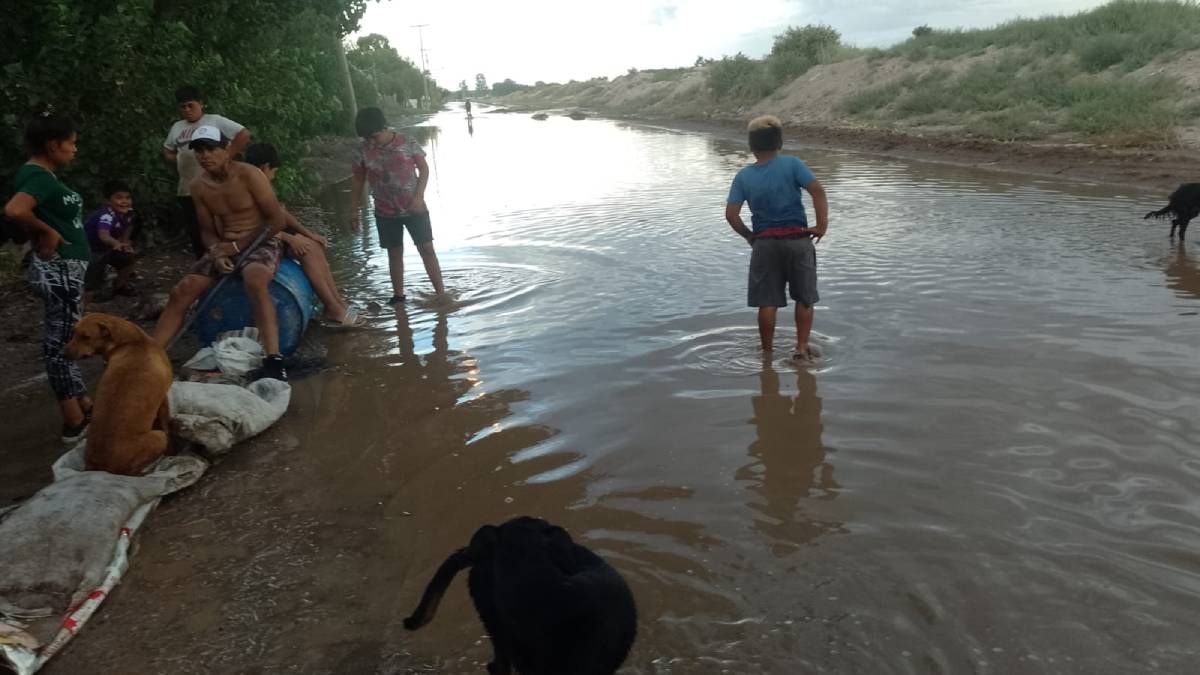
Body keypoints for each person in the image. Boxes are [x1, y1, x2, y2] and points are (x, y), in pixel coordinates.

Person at [152, 126, 290, 381]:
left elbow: (277, 221)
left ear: (227, 149)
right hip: (225, 245)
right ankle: (149, 356)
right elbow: (206, 231)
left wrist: (238, 247)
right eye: (199, 150)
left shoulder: (249, 175)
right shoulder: (198, 187)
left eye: (210, 148)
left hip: (261, 240)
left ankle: (273, 358)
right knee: (182, 290)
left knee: (256, 279)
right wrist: (217, 253)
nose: (205, 155)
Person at [3, 109, 93, 441]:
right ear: (53, 145)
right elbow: (14, 210)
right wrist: (48, 234)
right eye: (71, 143)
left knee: (65, 336)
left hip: (65, 268)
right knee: (61, 345)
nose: (74, 149)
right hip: (59, 268)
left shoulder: (40, 175)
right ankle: (73, 420)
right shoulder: (38, 177)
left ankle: (83, 403)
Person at [725, 115, 828, 362]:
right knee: (804, 297)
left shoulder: (743, 176)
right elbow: (817, 191)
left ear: (751, 147)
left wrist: (750, 236)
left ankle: (767, 353)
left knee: (767, 302)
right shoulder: (792, 165)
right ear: (779, 143)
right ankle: (801, 348)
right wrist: (821, 225)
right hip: (798, 241)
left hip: (765, 244)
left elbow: (731, 215)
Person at [244, 142, 365, 327]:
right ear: (265, 167)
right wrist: (289, 238)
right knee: (307, 249)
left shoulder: (259, 184)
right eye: (273, 172)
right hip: (256, 242)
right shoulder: (246, 188)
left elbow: (280, 214)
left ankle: (336, 303)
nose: (273, 177)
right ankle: (334, 307)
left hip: (270, 236)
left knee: (312, 245)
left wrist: (308, 234)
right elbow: (249, 227)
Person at [349, 107, 445, 304]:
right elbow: (358, 181)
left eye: (374, 136)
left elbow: (424, 169)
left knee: (426, 249)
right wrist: (353, 211)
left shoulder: (406, 142)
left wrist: (418, 198)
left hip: (414, 208)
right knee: (394, 253)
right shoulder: (362, 150)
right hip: (384, 211)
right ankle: (398, 296)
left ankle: (441, 294)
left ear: (383, 127)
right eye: (367, 138)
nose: (371, 141)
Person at [163, 85, 250, 258]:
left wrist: (226, 156)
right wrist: (178, 163)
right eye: (183, 107)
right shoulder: (177, 127)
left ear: (201, 104)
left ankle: (228, 259)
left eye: (191, 105)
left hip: (215, 186)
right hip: (187, 188)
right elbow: (168, 150)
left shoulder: (214, 121)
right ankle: (203, 262)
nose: (187, 110)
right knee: (196, 229)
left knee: (220, 225)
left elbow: (243, 134)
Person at [83, 179, 138, 299]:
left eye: (127, 198)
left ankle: (121, 286)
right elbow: (104, 236)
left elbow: (129, 227)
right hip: (92, 250)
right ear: (108, 201)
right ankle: (89, 293)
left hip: (108, 248)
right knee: (94, 271)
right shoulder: (106, 216)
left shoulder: (129, 214)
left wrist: (125, 244)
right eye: (119, 198)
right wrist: (116, 243)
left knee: (128, 258)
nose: (124, 201)